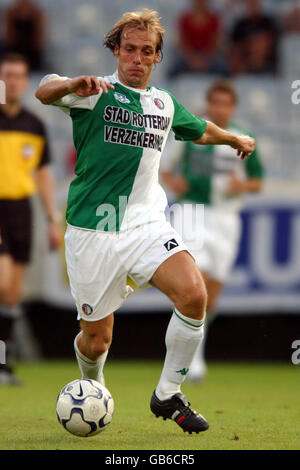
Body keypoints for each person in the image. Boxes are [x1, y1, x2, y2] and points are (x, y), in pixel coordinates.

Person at [35, 9, 255, 434]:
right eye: (130, 50)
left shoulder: (163, 104)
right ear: (116, 51)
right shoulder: (94, 91)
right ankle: (93, 385)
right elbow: (44, 90)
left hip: (145, 226)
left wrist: (233, 138)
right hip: (92, 233)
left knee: (193, 295)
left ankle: (168, 393)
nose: (137, 58)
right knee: (96, 340)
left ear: (157, 57)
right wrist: (69, 83)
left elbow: (197, 130)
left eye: (147, 52)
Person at [161, 80, 264, 381]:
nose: (219, 108)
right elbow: (165, 166)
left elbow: (257, 181)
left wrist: (241, 185)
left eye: (225, 104)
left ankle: (194, 349)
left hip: (226, 218)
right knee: (197, 283)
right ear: (208, 104)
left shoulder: (244, 139)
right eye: (215, 103)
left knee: (213, 293)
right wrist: (173, 182)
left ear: (232, 107)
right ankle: (191, 359)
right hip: (192, 212)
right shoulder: (193, 133)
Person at [0, 53, 61, 384]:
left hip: (21, 210)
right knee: (2, 281)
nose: (13, 81)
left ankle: (2, 363)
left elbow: (43, 174)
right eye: (7, 74)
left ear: (26, 81)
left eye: (19, 76)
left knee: (12, 294)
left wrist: (52, 218)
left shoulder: (34, 124)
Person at [169, 0, 224, 78]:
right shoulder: (185, 19)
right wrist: (192, 59)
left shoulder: (214, 19)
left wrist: (205, 59)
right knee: (173, 70)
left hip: (208, 57)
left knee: (222, 68)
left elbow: (215, 42)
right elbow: (183, 43)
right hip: (189, 57)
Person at [229, 0, 279, 75]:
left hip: (265, 57)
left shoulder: (267, 22)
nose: (252, 7)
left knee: (260, 43)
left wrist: (257, 44)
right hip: (245, 57)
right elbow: (234, 46)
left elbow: (272, 42)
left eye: (254, 4)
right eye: (250, 4)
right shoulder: (240, 24)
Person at [2, 0, 46, 71]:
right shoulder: (11, 12)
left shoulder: (36, 13)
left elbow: (39, 37)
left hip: (31, 49)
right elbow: (8, 36)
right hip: (14, 47)